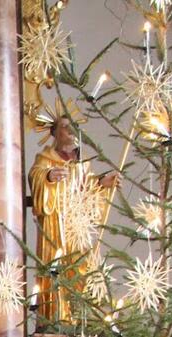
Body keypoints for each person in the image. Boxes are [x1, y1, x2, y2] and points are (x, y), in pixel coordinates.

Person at [28, 112, 119, 323]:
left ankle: (78, 315)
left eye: (73, 127)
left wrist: (100, 184)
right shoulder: (45, 159)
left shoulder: (82, 163)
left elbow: (86, 188)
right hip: (54, 224)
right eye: (65, 127)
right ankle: (56, 316)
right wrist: (48, 177)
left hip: (77, 226)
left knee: (81, 266)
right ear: (54, 133)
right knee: (55, 267)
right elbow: (36, 178)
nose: (70, 131)